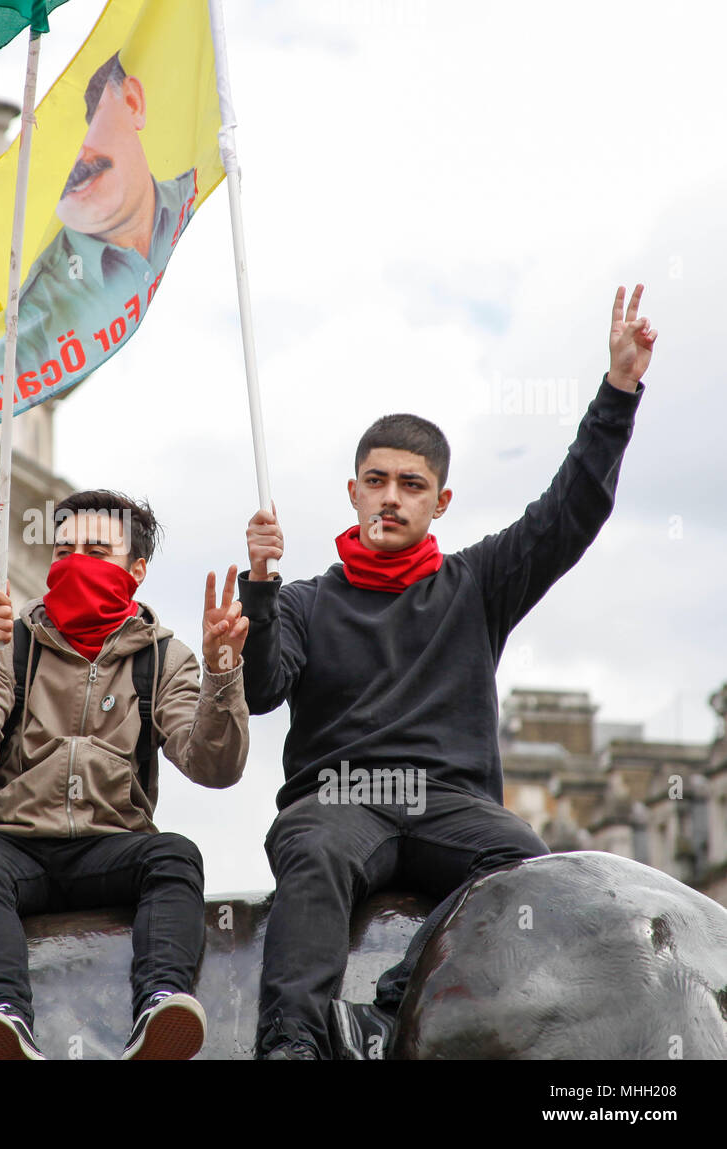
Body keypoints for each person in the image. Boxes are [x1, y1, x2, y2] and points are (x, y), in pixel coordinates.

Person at [239, 286, 658, 1060]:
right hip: (340, 799)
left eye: (411, 484)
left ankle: (385, 1012)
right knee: (313, 846)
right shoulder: (300, 599)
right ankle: (292, 1044)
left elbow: (571, 509)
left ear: (441, 500)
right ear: (353, 489)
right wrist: (259, 597)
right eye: (377, 479)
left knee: (530, 862)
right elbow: (262, 690)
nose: (390, 497)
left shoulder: (477, 582)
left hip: (451, 804)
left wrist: (619, 390)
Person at [0, 490, 249, 1060]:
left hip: (111, 847)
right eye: (65, 550)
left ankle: (161, 1005)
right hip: (13, 845)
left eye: (97, 550)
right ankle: (3, 1018)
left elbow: (215, 767)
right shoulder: (13, 643)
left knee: (175, 856)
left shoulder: (166, 658)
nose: (76, 562)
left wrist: (223, 673)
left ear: (137, 570)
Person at [0, 53, 199, 405]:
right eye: (55, 152)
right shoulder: (34, 314)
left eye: (88, 123)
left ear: (133, 103)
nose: (75, 159)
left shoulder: (196, 187)